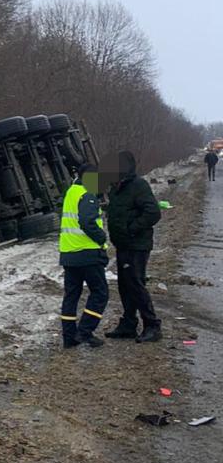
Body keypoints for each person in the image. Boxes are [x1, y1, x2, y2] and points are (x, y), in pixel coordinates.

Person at [104, 150, 162, 343]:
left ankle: (152, 325)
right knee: (124, 285)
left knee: (135, 284)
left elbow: (153, 212)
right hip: (122, 244)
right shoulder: (116, 188)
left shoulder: (138, 185)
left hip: (137, 244)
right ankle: (128, 324)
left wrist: (132, 228)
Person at [58, 159, 109, 349]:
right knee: (100, 293)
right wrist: (101, 238)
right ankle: (85, 331)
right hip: (87, 253)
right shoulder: (87, 194)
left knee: (71, 295)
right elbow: (87, 222)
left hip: (69, 254)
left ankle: (69, 337)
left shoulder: (71, 192)